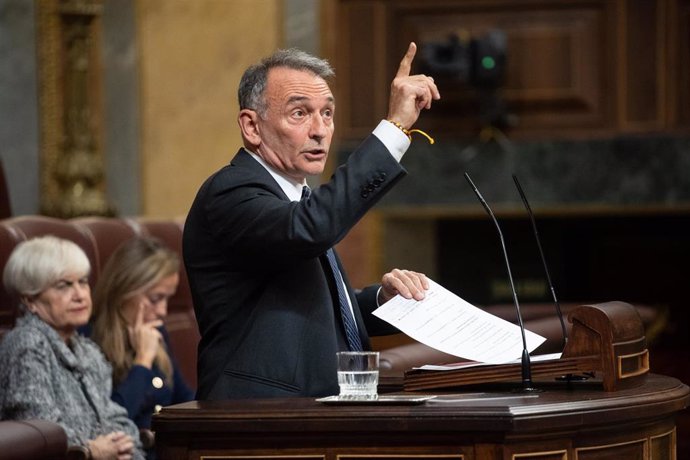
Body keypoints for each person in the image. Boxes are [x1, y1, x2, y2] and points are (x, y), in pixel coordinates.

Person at [183, 42, 440, 400]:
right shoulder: (230, 192)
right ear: (252, 127)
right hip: (255, 420)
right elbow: (311, 227)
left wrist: (384, 298)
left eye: (328, 114)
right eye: (300, 114)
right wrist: (394, 128)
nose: (320, 130)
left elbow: (318, 314)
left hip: (320, 409)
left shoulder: (297, 197)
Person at [0, 235, 144, 460]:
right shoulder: (26, 345)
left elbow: (116, 418)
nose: (80, 295)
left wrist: (124, 445)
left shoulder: (88, 351)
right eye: (64, 285)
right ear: (30, 301)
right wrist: (92, 451)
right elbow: (41, 433)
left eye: (83, 282)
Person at [89, 237, 194, 452]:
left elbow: (184, 400)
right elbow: (109, 420)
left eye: (168, 299)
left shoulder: (155, 332)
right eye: (155, 298)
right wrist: (143, 362)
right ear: (124, 291)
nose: (163, 311)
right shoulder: (88, 340)